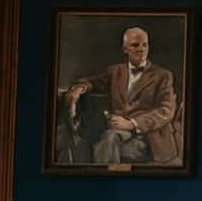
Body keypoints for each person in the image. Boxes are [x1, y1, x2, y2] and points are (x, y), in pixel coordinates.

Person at [63, 26, 180, 166]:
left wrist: (132, 124)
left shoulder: (163, 75)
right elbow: (93, 81)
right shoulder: (115, 71)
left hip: (150, 137)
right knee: (83, 143)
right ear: (125, 49)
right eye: (135, 45)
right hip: (118, 133)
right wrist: (79, 88)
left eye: (145, 44)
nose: (141, 49)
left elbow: (166, 110)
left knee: (107, 141)